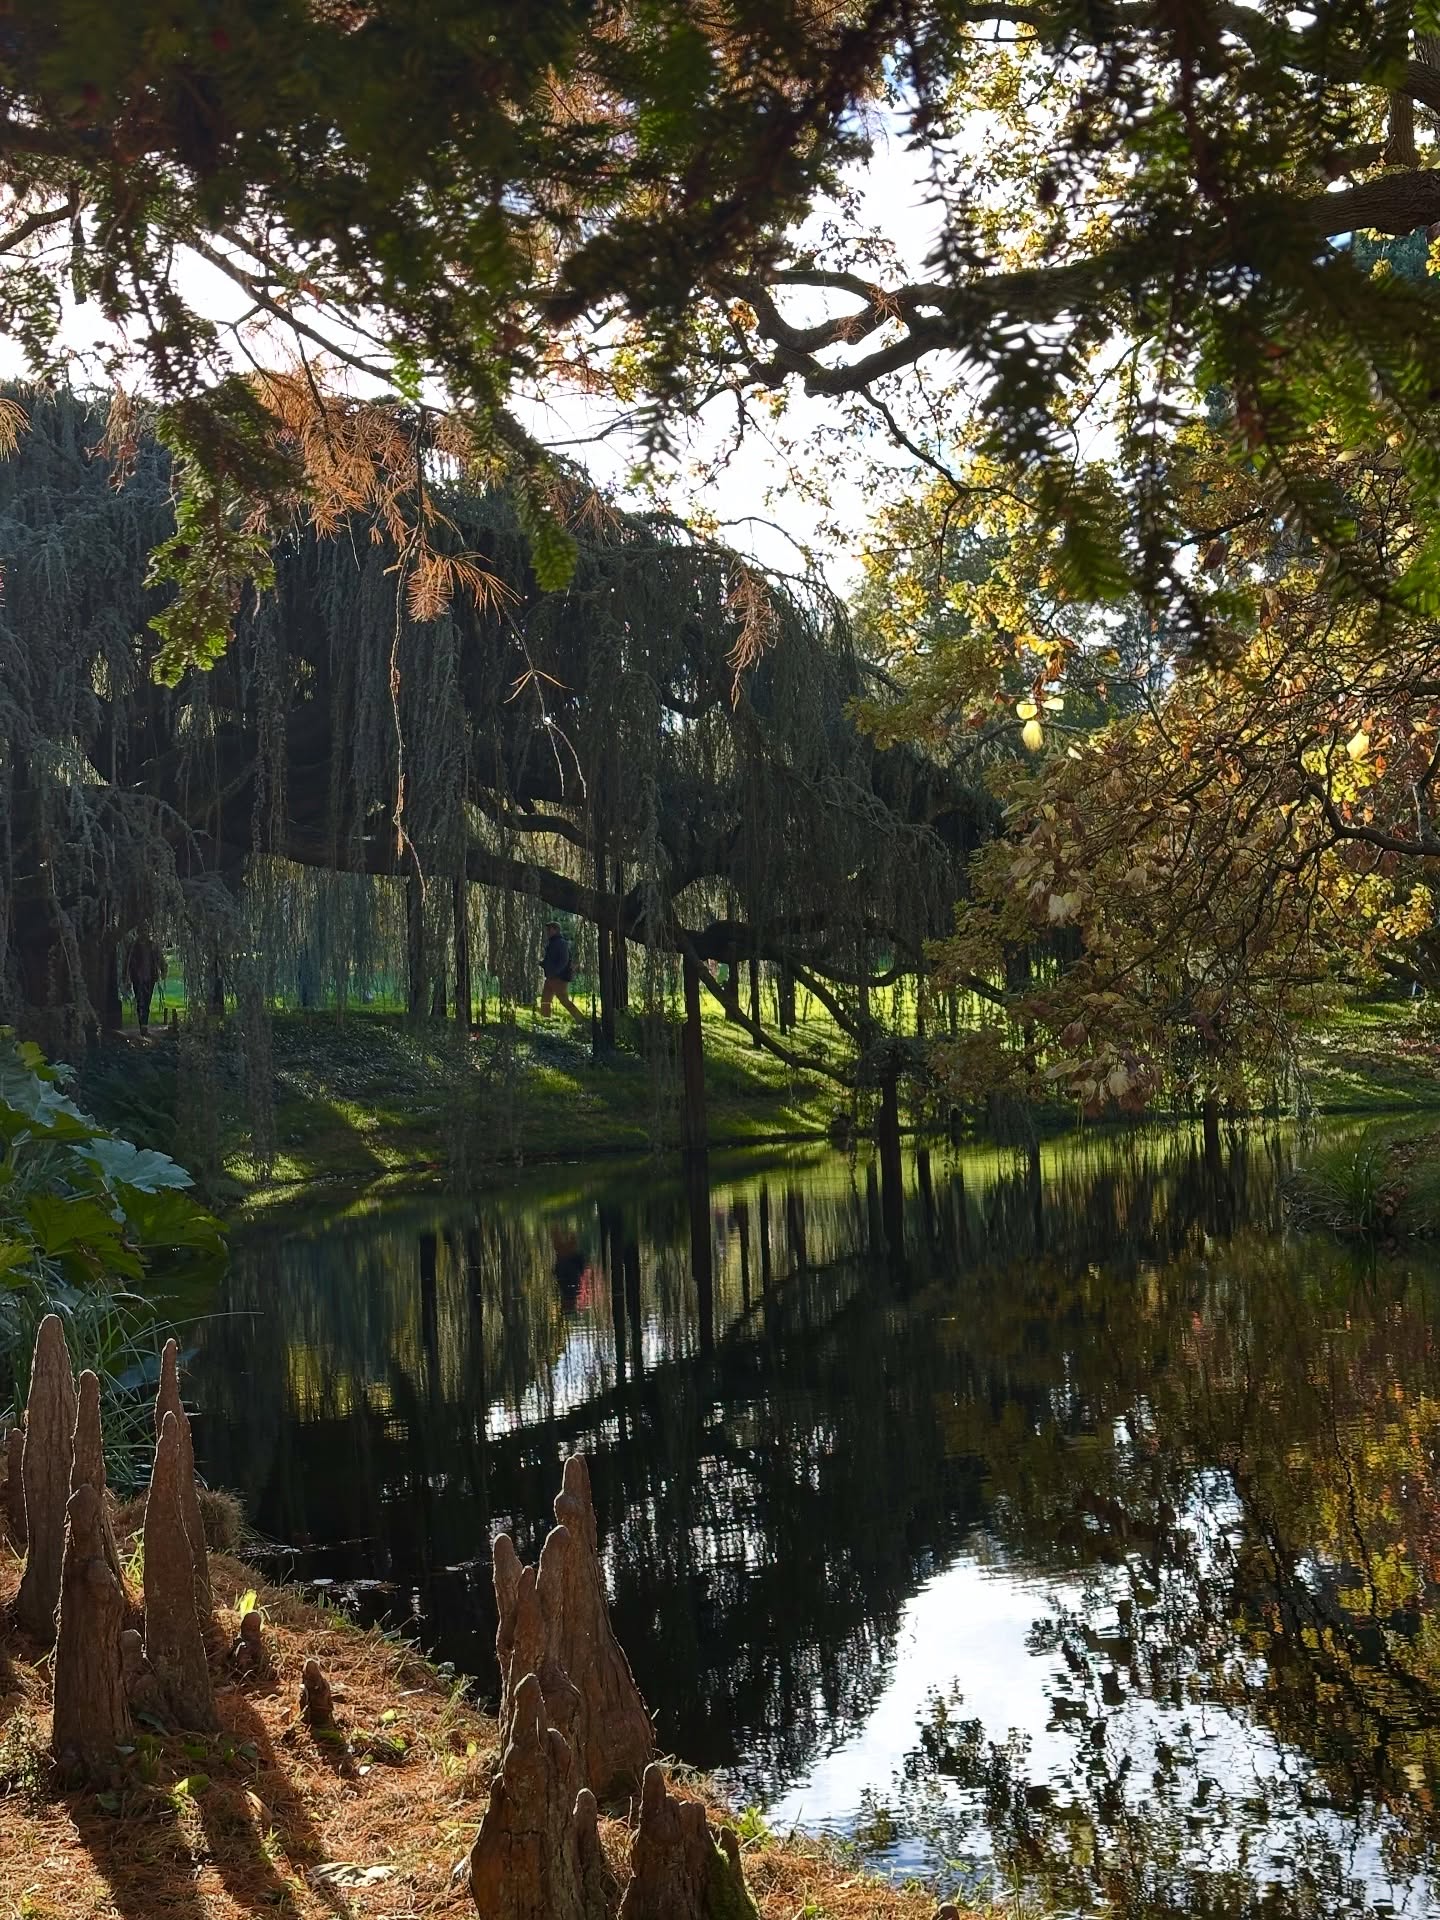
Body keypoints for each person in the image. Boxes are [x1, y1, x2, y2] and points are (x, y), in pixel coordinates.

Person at [540, 920, 582, 1020]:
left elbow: (564, 960)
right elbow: (550, 960)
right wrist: (543, 964)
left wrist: (555, 972)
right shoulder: (552, 943)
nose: (548, 931)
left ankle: (580, 1018)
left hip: (559, 978)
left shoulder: (561, 943)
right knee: (545, 999)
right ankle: (545, 1019)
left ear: (556, 930)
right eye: (547, 929)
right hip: (551, 977)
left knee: (564, 1000)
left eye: (550, 929)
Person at [126, 931, 166, 1033]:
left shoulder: (152, 946)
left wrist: (163, 969)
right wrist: (126, 976)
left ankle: (144, 1024)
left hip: (150, 977)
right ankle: (142, 1025)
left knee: (147, 1001)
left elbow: (160, 958)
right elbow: (128, 962)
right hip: (137, 978)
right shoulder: (133, 947)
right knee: (140, 1001)